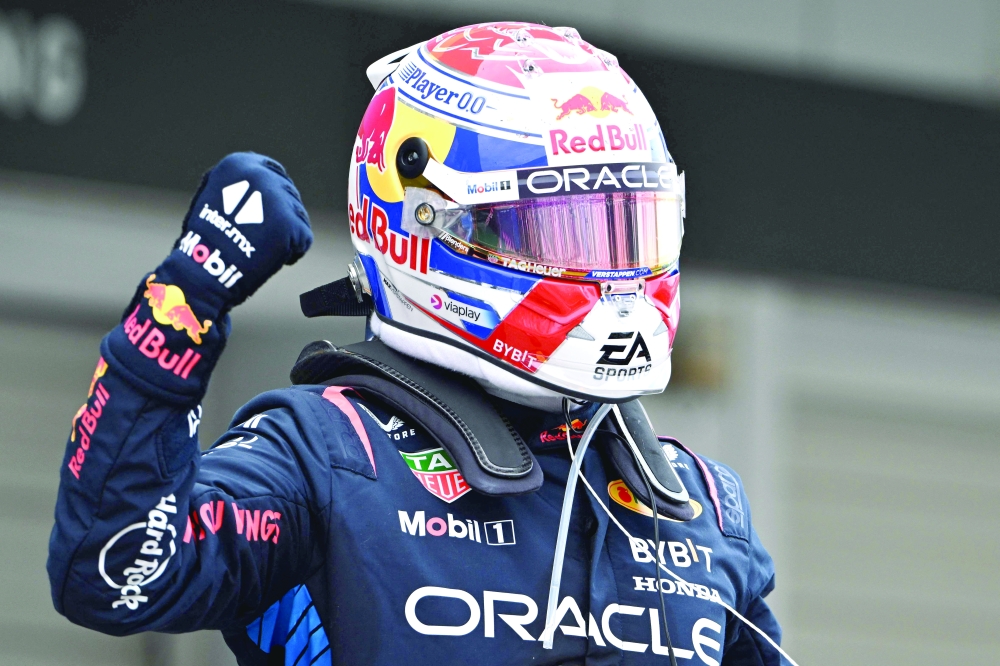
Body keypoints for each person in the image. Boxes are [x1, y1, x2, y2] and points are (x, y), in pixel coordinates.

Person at [48, 22, 794, 666]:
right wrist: (184, 302)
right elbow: (112, 576)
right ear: (424, 225)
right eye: (565, 231)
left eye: (629, 227)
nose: (613, 271)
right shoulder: (331, 459)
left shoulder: (701, 507)